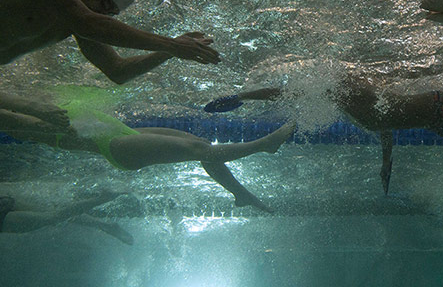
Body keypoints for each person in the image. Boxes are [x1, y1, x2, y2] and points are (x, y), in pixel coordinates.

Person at [204, 71, 443, 194]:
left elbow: (281, 90)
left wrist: (241, 96)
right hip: (437, 111)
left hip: (438, 110)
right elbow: (387, 123)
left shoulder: (346, 88)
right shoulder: (356, 102)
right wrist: (387, 162)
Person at [0, 99, 297, 212]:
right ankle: (265, 144)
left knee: (200, 144)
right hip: (115, 147)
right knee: (199, 151)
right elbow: (18, 122)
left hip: (118, 132)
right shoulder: (22, 121)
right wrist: (37, 108)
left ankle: (240, 194)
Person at [1, 0, 220, 87]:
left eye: (110, 14)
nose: (102, 14)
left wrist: (170, 51)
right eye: (105, 3)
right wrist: (170, 45)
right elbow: (88, 23)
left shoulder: (77, 23)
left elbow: (118, 71)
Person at [0, 190, 134, 245]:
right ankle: (106, 226)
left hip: (3, 221)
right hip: (3, 203)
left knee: (53, 216)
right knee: (57, 212)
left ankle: (103, 198)